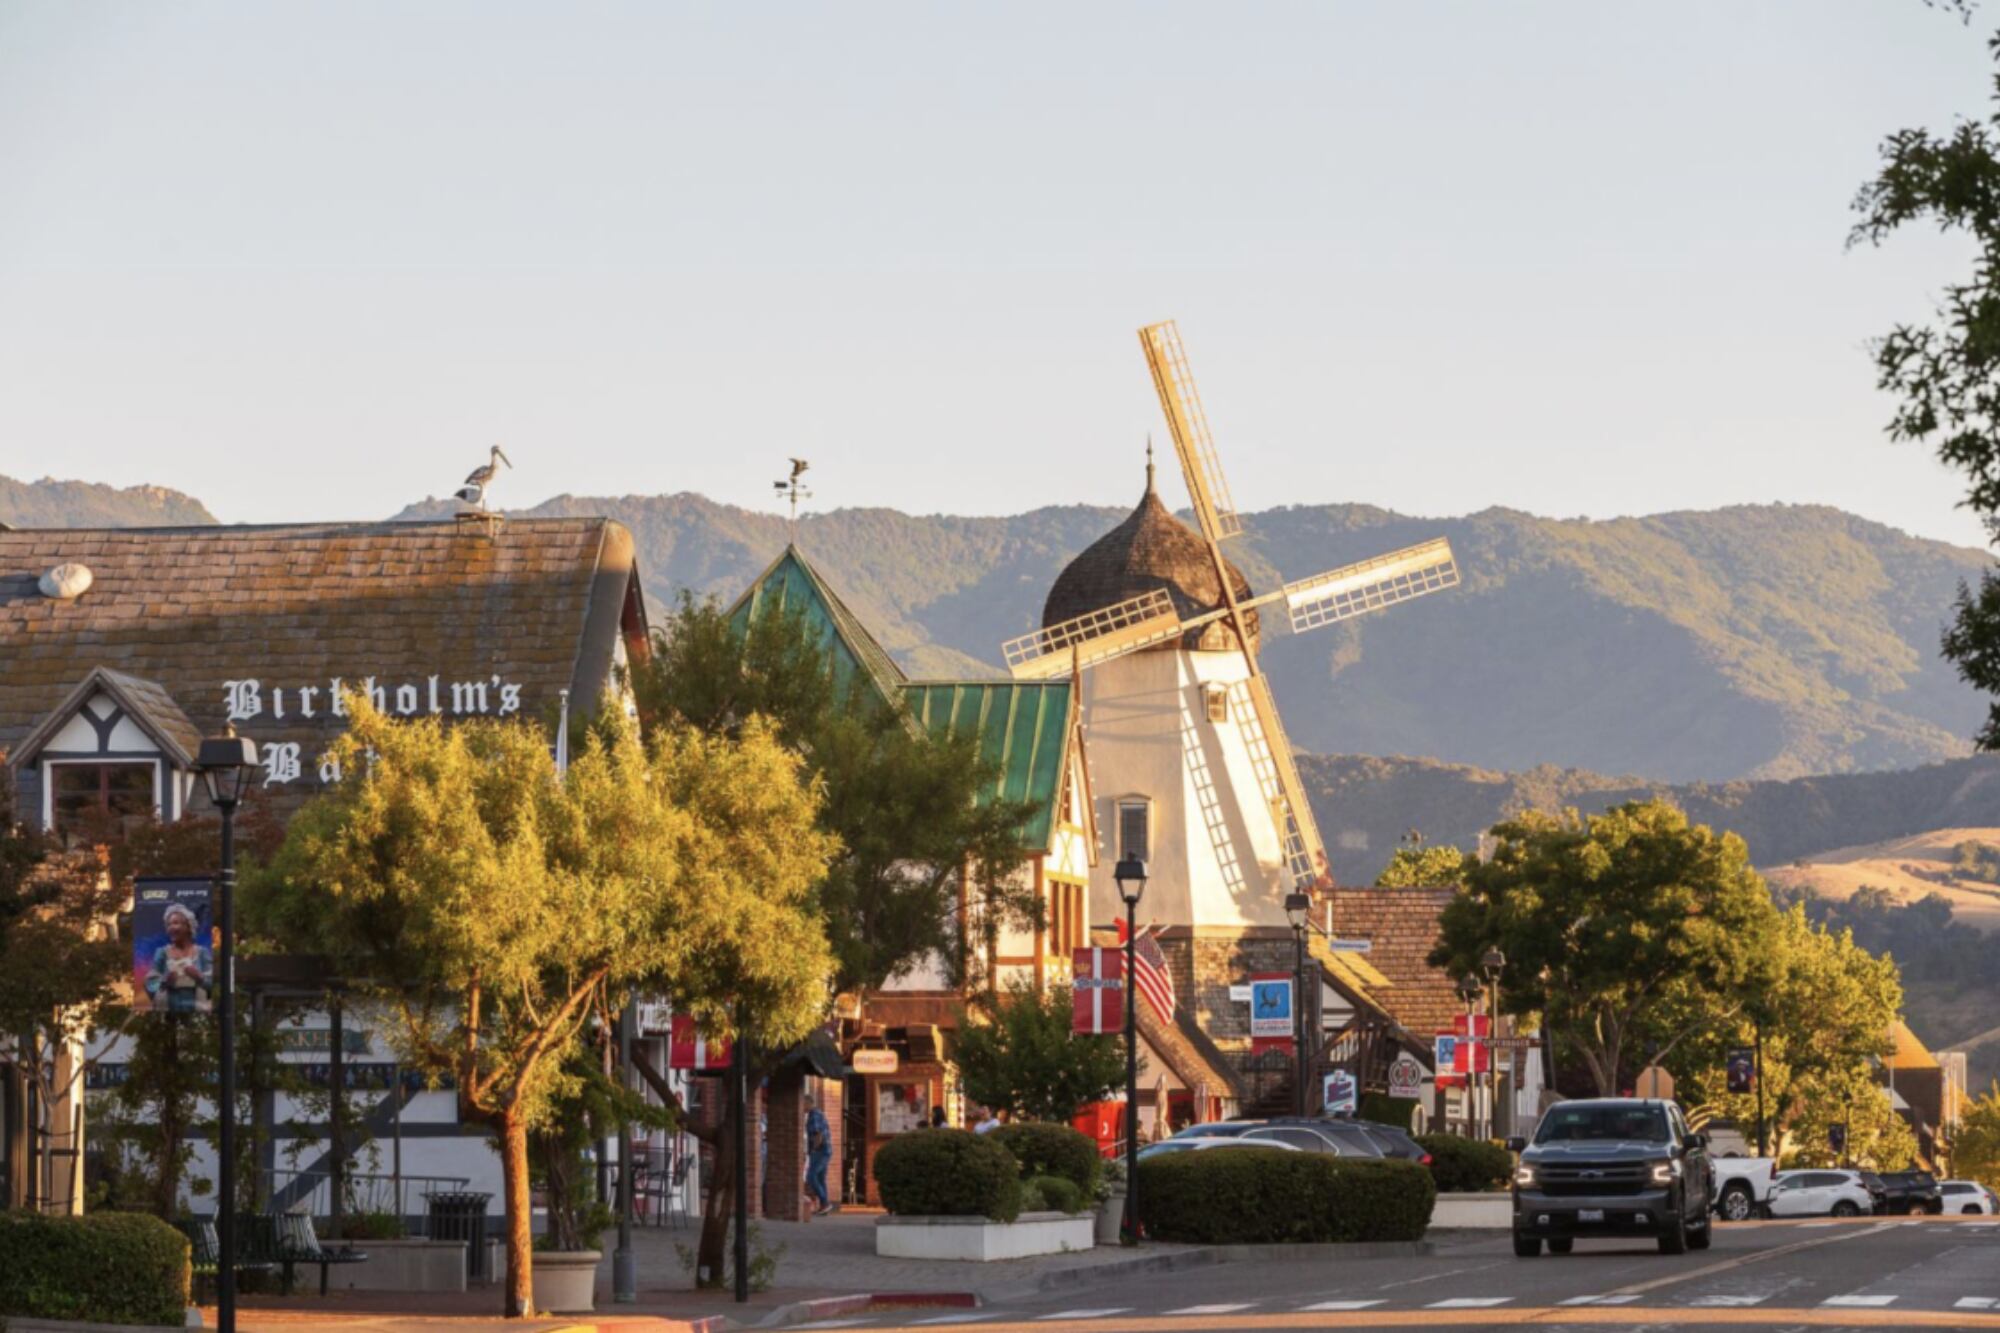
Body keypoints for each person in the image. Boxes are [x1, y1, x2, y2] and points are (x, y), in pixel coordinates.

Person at [145, 902, 213, 1015]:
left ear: (188, 926)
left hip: (197, 1014)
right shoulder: (162, 953)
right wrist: (165, 981)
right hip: (168, 1014)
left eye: (175, 923)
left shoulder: (202, 953)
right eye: (168, 924)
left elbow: (213, 986)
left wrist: (199, 977)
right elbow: (150, 985)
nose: (170, 927)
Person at [804, 1093, 834, 1216]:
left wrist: (815, 1149)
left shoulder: (814, 1115)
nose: (802, 1107)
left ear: (808, 1103)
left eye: (803, 1103)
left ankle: (825, 1202)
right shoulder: (819, 1113)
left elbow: (818, 1134)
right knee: (821, 1178)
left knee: (811, 1176)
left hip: (820, 1150)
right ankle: (824, 1207)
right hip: (826, 1149)